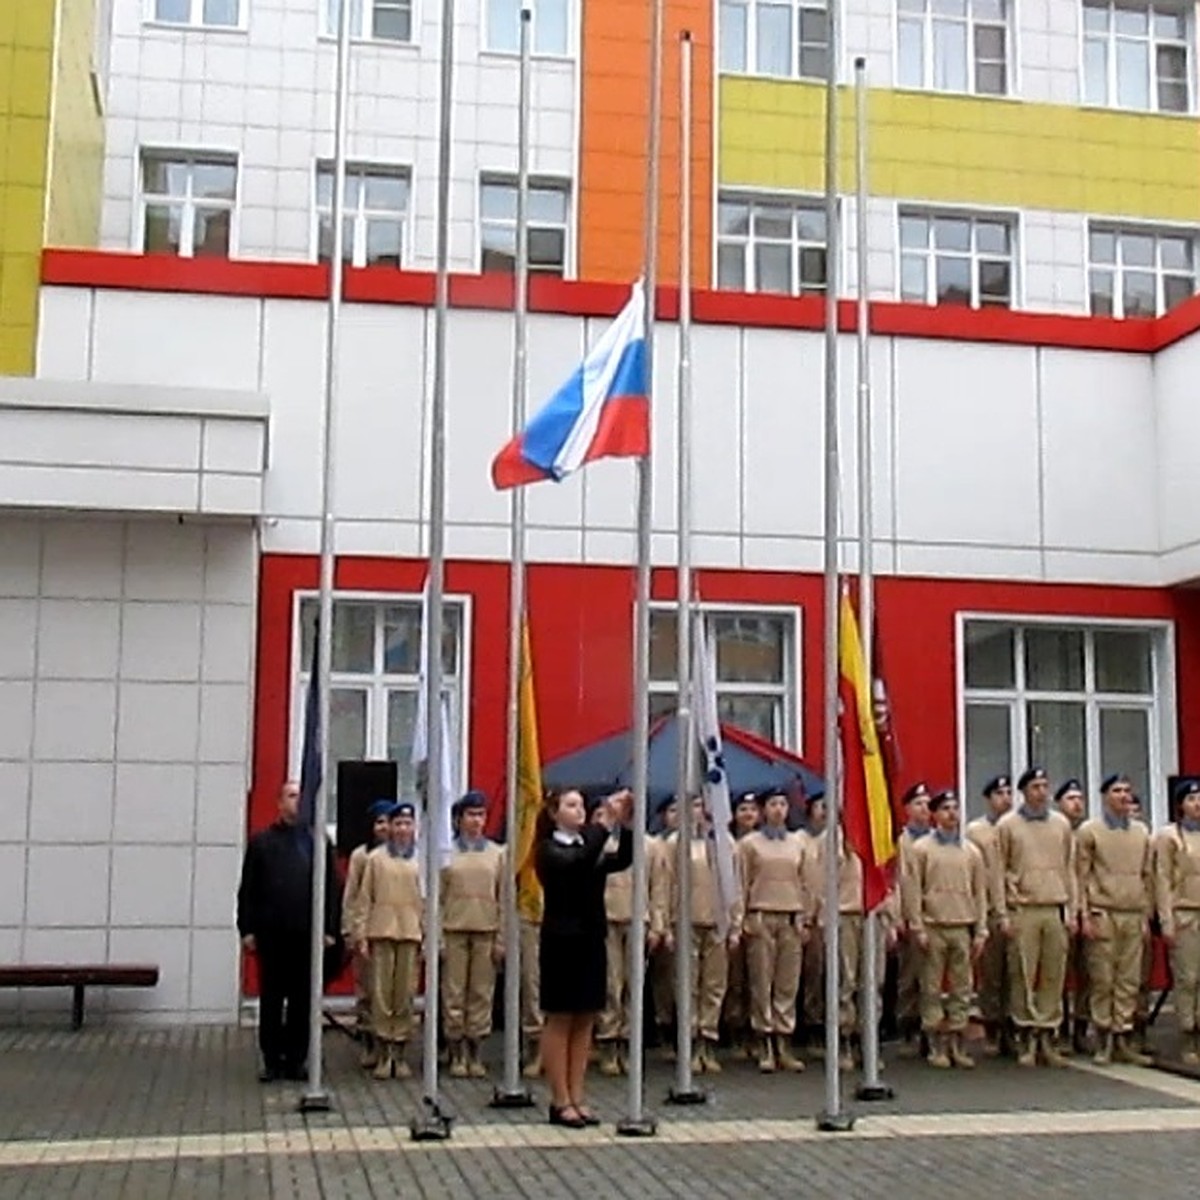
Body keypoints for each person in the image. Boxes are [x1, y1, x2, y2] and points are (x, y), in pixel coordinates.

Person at [536, 786, 633, 1128]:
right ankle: (559, 1098)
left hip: (591, 937)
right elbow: (576, 865)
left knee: (586, 1017)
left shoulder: (586, 845)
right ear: (554, 813)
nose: (579, 811)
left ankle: (578, 1095)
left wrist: (628, 825)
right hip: (562, 941)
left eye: (581, 805)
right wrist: (603, 824)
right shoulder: (550, 850)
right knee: (560, 1017)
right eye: (571, 805)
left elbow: (620, 859)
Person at [236, 780, 340, 1083]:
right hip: (273, 937)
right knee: (271, 1000)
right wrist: (247, 929)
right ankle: (272, 1060)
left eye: (300, 796)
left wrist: (330, 929)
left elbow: (332, 890)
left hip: (307, 936)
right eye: (291, 796)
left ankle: (297, 1059)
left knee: (302, 1001)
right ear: (280, 803)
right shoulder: (262, 843)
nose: (297, 802)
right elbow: (248, 890)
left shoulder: (318, 842)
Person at [996, 767, 1076, 1068]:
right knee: (1024, 975)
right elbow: (998, 871)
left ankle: (1048, 1035)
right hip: (1023, 908)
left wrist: (1072, 909)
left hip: (1054, 906)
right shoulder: (1008, 826)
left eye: (1045, 786)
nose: (1041, 792)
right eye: (1035, 787)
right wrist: (1003, 912)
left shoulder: (1060, 825)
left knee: (1054, 975)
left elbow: (1070, 869)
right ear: (1024, 791)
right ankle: (1026, 1036)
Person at [905, 789, 988, 1070]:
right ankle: (935, 1044)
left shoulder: (972, 852)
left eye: (955, 808)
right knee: (931, 987)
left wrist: (980, 931)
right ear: (935, 815)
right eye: (945, 809)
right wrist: (917, 926)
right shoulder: (922, 849)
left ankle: (957, 1042)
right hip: (933, 925)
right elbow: (913, 890)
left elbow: (980, 893)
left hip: (962, 926)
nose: (952, 814)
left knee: (961, 988)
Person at [659, 795, 741, 1074]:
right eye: (693, 806)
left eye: (703, 806)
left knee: (715, 986)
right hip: (686, 922)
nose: (699, 811)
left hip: (717, 922)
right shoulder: (675, 844)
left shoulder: (725, 843)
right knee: (687, 985)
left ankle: (708, 1040)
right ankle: (689, 1041)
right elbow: (665, 884)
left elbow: (734, 885)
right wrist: (665, 925)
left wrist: (735, 923)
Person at [1076, 774, 1153, 1066]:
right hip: (1103, 912)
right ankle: (1103, 1038)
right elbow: (1081, 876)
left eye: (1127, 790)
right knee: (1103, 978)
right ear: (1105, 796)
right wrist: (1084, 914)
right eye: (1117, 791)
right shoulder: (1090, 831)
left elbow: (1147, 876)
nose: (1124, 796)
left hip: (1132, 913)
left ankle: (1123, 1036)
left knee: (1128, 980)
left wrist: (1146, 915)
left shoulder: (1141, 832)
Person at [738, 786, 810, 1073]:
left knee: (787, 983)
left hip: (791, 916)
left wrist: (805, 917)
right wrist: (742, 918)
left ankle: (784, 1041)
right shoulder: (750, 844)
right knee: (761, 981)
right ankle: (764, 1041)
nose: (778, 809)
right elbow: (742, 881)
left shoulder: (798, 843)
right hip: (762, 914)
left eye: (782, 804)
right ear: (763, 810)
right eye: (772, 804)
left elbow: (806, 883)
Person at [353, 801, 423, 1080]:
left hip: (410, 933)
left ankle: (400, 1052)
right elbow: (364, 900)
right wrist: (360, 934)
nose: (403, 829)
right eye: (398, 824)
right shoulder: (375, 859)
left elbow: (430, 901)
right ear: (390, 828)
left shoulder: (422, 860)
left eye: (408, 824)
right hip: (381, 932)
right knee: (381, 995)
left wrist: (430, 937)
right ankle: (382, 1052)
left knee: (404, 995)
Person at [440, 790, 505, 1079]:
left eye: (481, 815)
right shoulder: (446, 853)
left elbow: (505, 897)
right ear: (458, 819)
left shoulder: (497, 854)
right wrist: (436, 938)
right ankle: (456, 1052)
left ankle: (476, 1051)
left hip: (486, 930)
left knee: (481, 993)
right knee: (454, 993)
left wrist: (501, 939)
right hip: (454, 930)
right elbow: (436, 899)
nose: (477, 821)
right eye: (471, 815)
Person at [343, 799, 394, 1070]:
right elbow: (352, 896)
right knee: (366, 991)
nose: (384, 828)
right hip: (367, 932)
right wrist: (351, 931)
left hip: (391, 930)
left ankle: (388, 1044)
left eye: (389, 821)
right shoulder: (361, 856)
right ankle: (368, 1042)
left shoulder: (405, 856)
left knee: (388, 992)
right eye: (379, 822)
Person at [965, 775, 1013, 1055]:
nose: (1005, 798)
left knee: (1016, 973)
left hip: (1015, 904)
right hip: (989, 907)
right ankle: (993, 1029)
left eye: (1008, 792)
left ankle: (1012, 1028)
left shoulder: (1017, 827)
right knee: (992, 973)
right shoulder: (977, 831)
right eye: (999, 793)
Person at [1155, 780, 1200, 1066]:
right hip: (1184, 915)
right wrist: (1166, 921)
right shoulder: (1170, 837)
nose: (1197, 804)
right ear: (1180, 804)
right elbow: (1162, 880)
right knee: (1188, 978)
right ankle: (1187, 1036)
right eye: (1192, 798)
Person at [596, 794, 641, 1077]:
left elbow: (655, 886)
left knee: (632, 985)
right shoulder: (598, 844)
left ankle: (629, 1042)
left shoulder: (643, 845)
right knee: (611, 985)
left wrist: (655, 921)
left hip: (635, 918)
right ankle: (608, 1043)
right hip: (606, 919)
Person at [895, 783, 933, 1055]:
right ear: (907, 809)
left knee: (930, 976)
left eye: (927, 804)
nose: (924, 809)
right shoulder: (901, 840)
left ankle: (926, 1030)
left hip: (934, 916)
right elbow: (897, 881)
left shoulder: (936, 839)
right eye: (918, 804)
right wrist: (899, 916)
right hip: (909, 915)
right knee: (908, 976)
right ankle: (907, 1028)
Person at [1054, 778, 1089, 1054]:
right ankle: (1059, 1029)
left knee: (1088, 973)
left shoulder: (1089, 834)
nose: (1076, 803)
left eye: (1080, 798)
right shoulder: (1053, 834)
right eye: (1070, 798)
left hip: (1090, 910)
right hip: (1062, 910)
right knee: (1059, 974)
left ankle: (1081, 1029)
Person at [723, 791, 759, 1056]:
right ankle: (734, 1030)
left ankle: (755, 1033)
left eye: (752, 809)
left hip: (757, 918)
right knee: (733, 979)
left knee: (758, 979)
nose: (748, 815)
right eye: (743, 809)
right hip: (731, 918)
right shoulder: (726, 844)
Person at [649, 795, 679, 1052]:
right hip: (668, 920)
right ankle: (662, 1028)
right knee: (665, 981)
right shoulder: (658, 845)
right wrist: (661, 925)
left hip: (699, 918)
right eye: (672, 810)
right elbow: (661, 888)